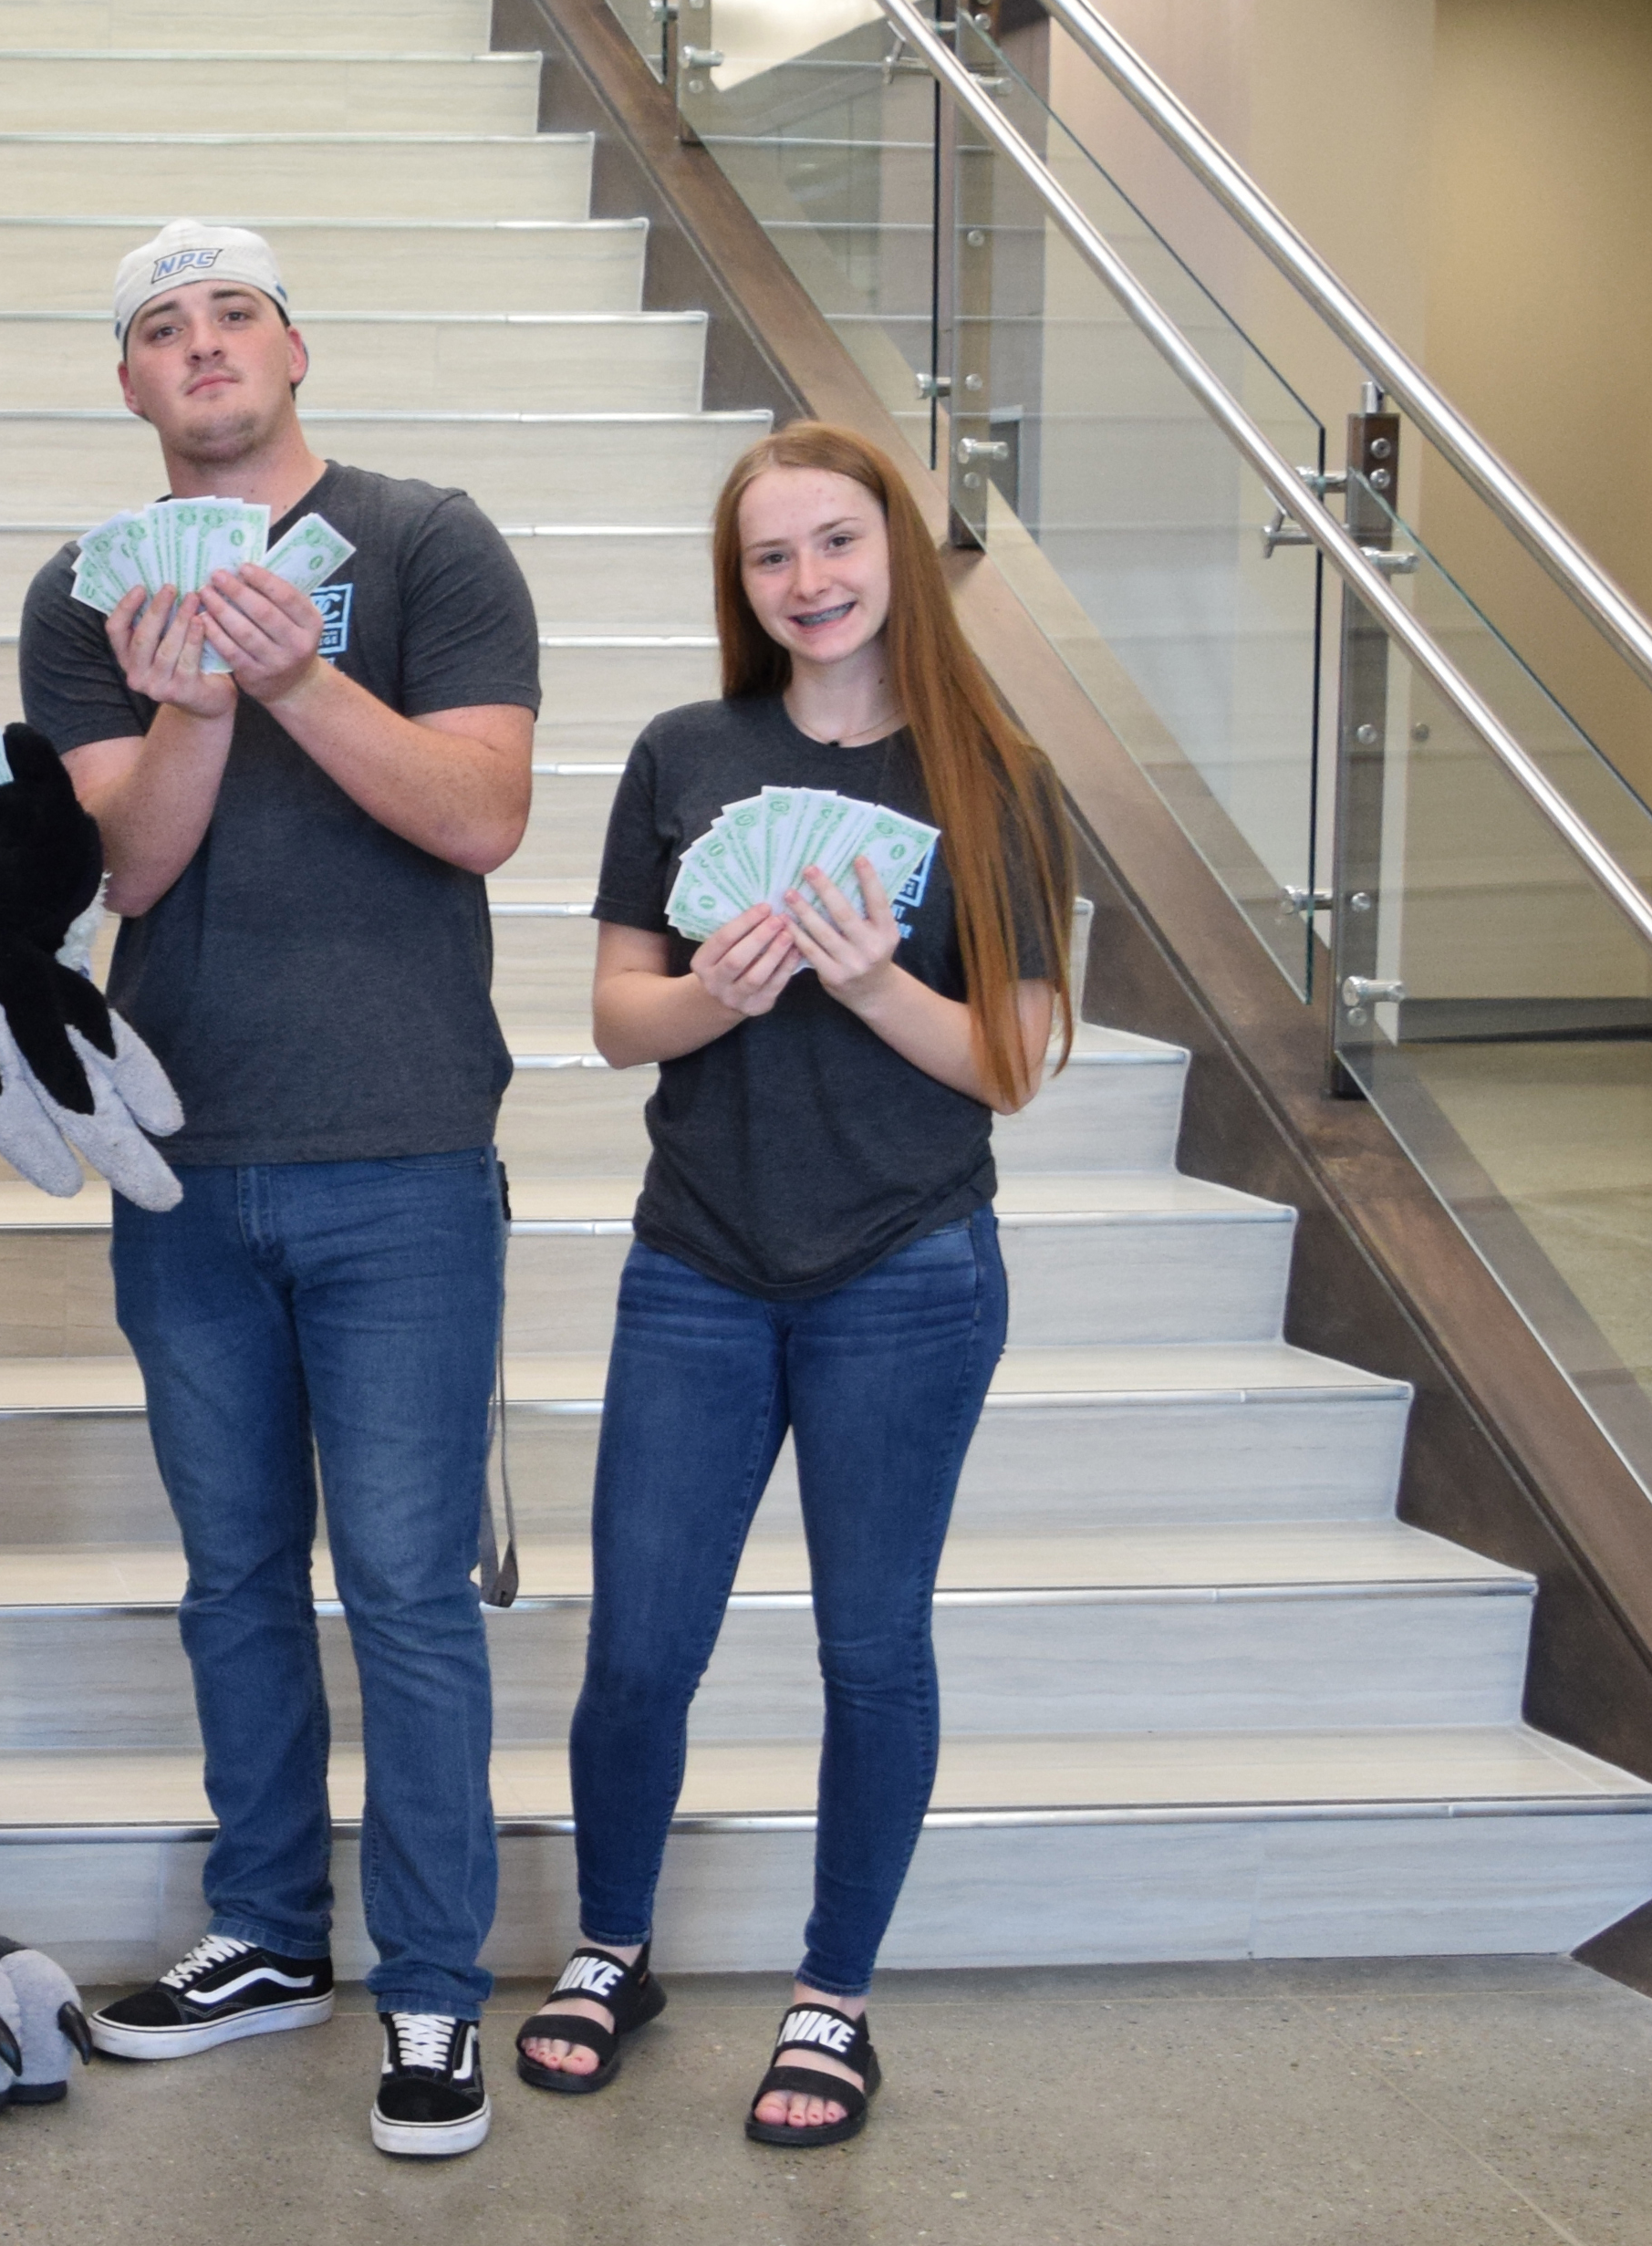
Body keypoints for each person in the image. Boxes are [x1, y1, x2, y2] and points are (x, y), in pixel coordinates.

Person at [16, 221, 543, 2160]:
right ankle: (265, 1933)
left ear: (294, 347)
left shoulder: (426, 543)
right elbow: (122, 876)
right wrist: (201, 704)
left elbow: (481, 811)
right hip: (184, 1150)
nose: (202, 342)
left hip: (403, 1149)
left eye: (232, 310)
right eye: (161, 327)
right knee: (233, 1574)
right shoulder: (85, 596)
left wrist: (296, 669)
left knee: (406, 1586)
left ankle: (428, 1986)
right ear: (132, 389)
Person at [547, 421, 1070, 2149]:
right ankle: (611, 1951)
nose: (810, 581)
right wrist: (726, 989)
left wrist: (859, 982)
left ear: (896, 552)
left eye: (837, 543)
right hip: (699, 1257)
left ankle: (833, 1996)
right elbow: (620, 1018)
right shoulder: (687, 751)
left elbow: (1016, 1061)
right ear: (743, 584)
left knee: (872, 1647)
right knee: (639, 1648)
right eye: (774, 557)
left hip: (907, 1268)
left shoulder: (991, 771)